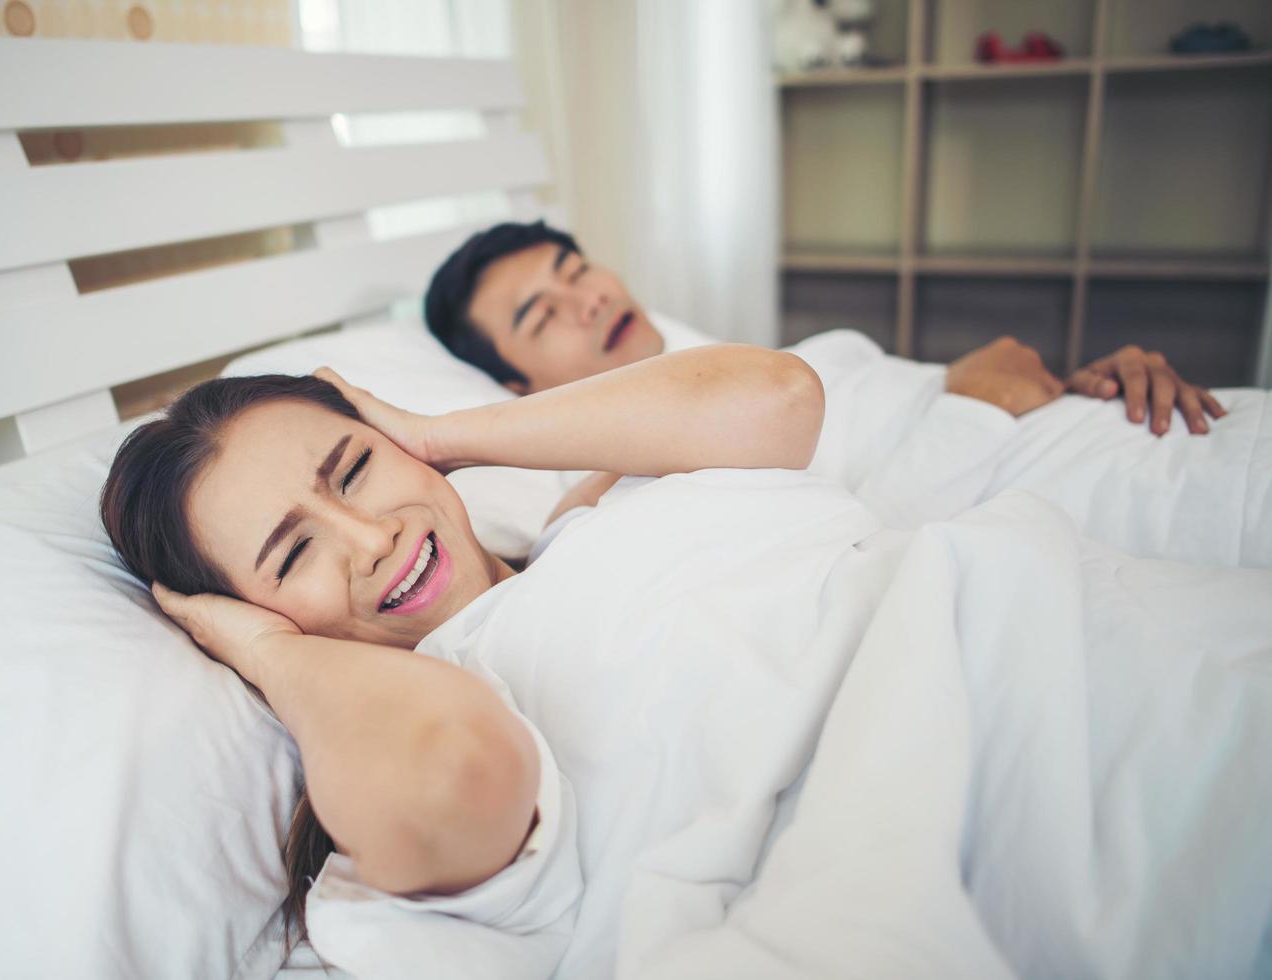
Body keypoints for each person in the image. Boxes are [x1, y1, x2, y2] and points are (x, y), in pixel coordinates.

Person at [100, 349, 1272, 979]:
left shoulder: (587, 503)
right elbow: (444, 775)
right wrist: (263, 649)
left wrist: (438, 435)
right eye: (292, 551)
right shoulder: (438, 706)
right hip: (1053, 803)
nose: (371, 539)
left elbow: (779, 397)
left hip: (1127, 641)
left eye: (353, 470)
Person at [422, 222, 1270, 568]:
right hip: (1155, 514)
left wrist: (1075, 386)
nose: (590, 299)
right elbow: (858, 567)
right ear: (513, 385)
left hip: (1181, 431)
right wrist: (976, 403)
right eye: (544, 314)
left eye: (578, 271)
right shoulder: (607, 492)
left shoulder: (774, 358)